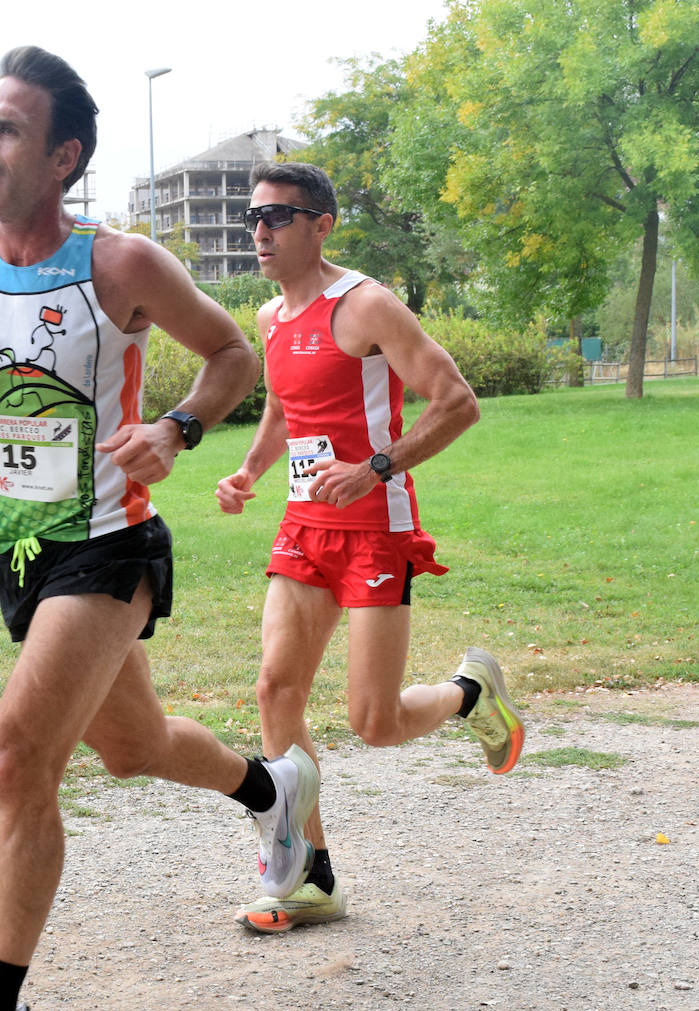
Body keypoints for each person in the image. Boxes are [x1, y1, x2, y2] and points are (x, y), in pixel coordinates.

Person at [0, 47, 319, 1011]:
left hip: (112, 544)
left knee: (19, 755)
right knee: (133, 747)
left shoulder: (119, 265)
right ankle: (276, 788)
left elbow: (232, 358)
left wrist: (175, 428)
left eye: (6, 132)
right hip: (18, 553)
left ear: (63, 154)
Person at [215, 161, 525, 935]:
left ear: (321, 225)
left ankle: (470, 695)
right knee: (274, 689)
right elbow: (287, 407)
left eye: (279, 216)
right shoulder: (268, 318)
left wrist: (376, 467)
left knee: (374, 722)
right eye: (254, 216)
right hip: (302, 526)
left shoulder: (367, 306)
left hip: (375, 526)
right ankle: (309, 874)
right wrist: (251, 468)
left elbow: (458, 402)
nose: (261, 229)